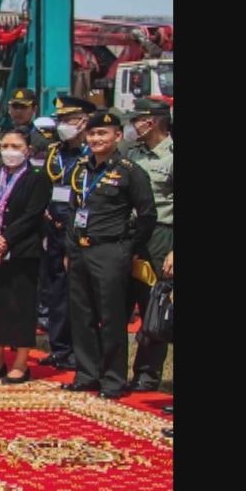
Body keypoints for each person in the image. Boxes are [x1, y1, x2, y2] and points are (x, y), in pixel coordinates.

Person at [63, 110, 157, 399]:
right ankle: (87, 373)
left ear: (118, 136)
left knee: (112, 316)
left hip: (111, 251)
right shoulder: (81, 169)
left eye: (102, 133)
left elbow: (147, 215)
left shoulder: (130, 171)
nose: (96, 139)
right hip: (80, 249)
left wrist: (128, 247)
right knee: (81, 315)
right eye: (91, 134)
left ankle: (113, 379)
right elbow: (72, 211)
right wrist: (70, 248)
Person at [0, 129, 51, 383]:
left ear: (27, 149)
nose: (9, 150)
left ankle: (20, 363)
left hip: (21, 251)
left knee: (20, 306)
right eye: (5, 145)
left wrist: (4, 242)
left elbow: (32, 214)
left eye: (15, 145)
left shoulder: (37, 177)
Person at [122, 97, 174, 393]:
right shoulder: (133, 154)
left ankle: (147, 373)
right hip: (129, 233)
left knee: (153, 304)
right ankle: (114, 369)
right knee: (120, 301)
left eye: (136, 120)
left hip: (161, 236)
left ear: (151, 121)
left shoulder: (171, 156)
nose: (132, 126)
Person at [38, 95, 94, 369]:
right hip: (54, 228)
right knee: (55, 291)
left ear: (84, 121)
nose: (63, 125)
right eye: (60, 120)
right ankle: (59, 348)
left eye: (68, 120)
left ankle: (80, 351)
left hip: (81, 230)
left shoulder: (92, 153)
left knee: (80, 293)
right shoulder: (54, 151)